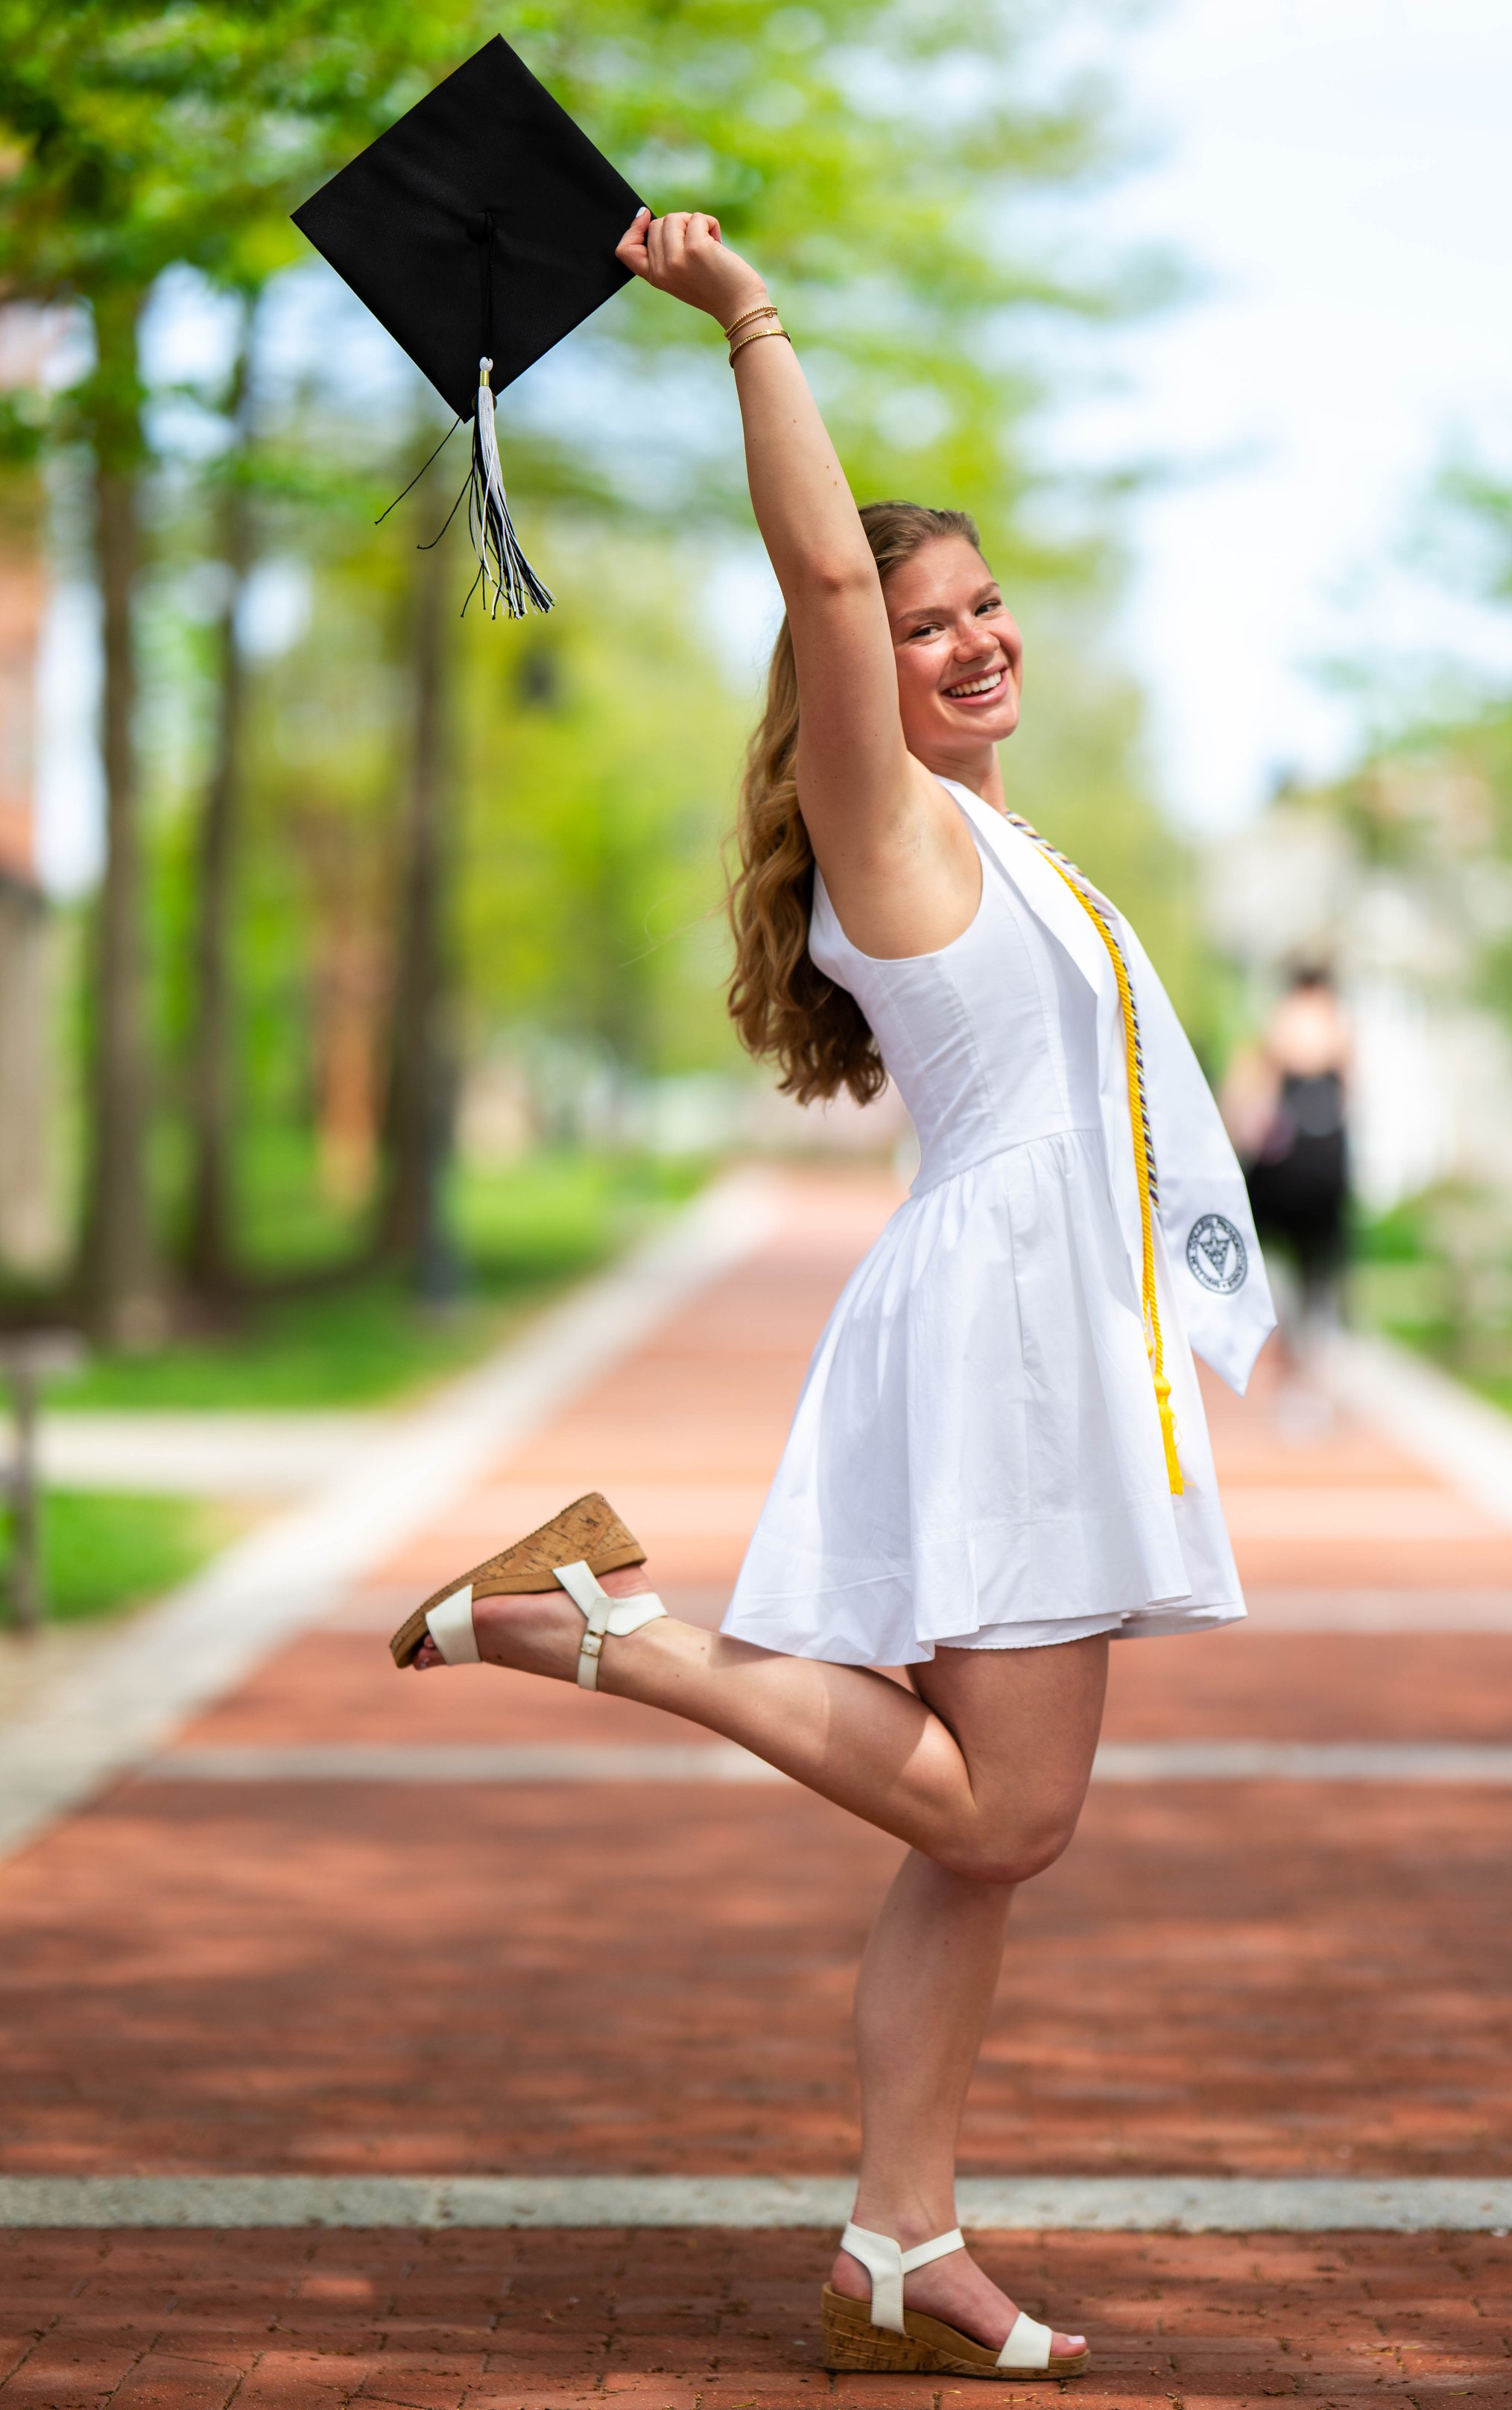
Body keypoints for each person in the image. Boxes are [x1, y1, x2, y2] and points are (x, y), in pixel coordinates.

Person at [396, 209, 1275, 2380]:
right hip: (991, 1342)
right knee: (1010, 1810)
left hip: (1033, 1336)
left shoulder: (1016, 842)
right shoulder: (888, 827)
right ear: (853, 675)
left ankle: (896, 2242)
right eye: (920, 623)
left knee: (971, 1851)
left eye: (982, 607)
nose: (969, 643)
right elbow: (804, 576)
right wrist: (752, 325)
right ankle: (593, 1626)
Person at [1224, 965, 1352, 1362]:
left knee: (1259, 1238)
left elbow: (1259, 1090)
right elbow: (1350, 1094)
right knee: (1318, 1263)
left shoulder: (1282, 1019)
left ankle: (1286, 1331)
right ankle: (1313, 1345)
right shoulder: (1338, 1022)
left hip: (1290, 1160)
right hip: (1326, 1158)